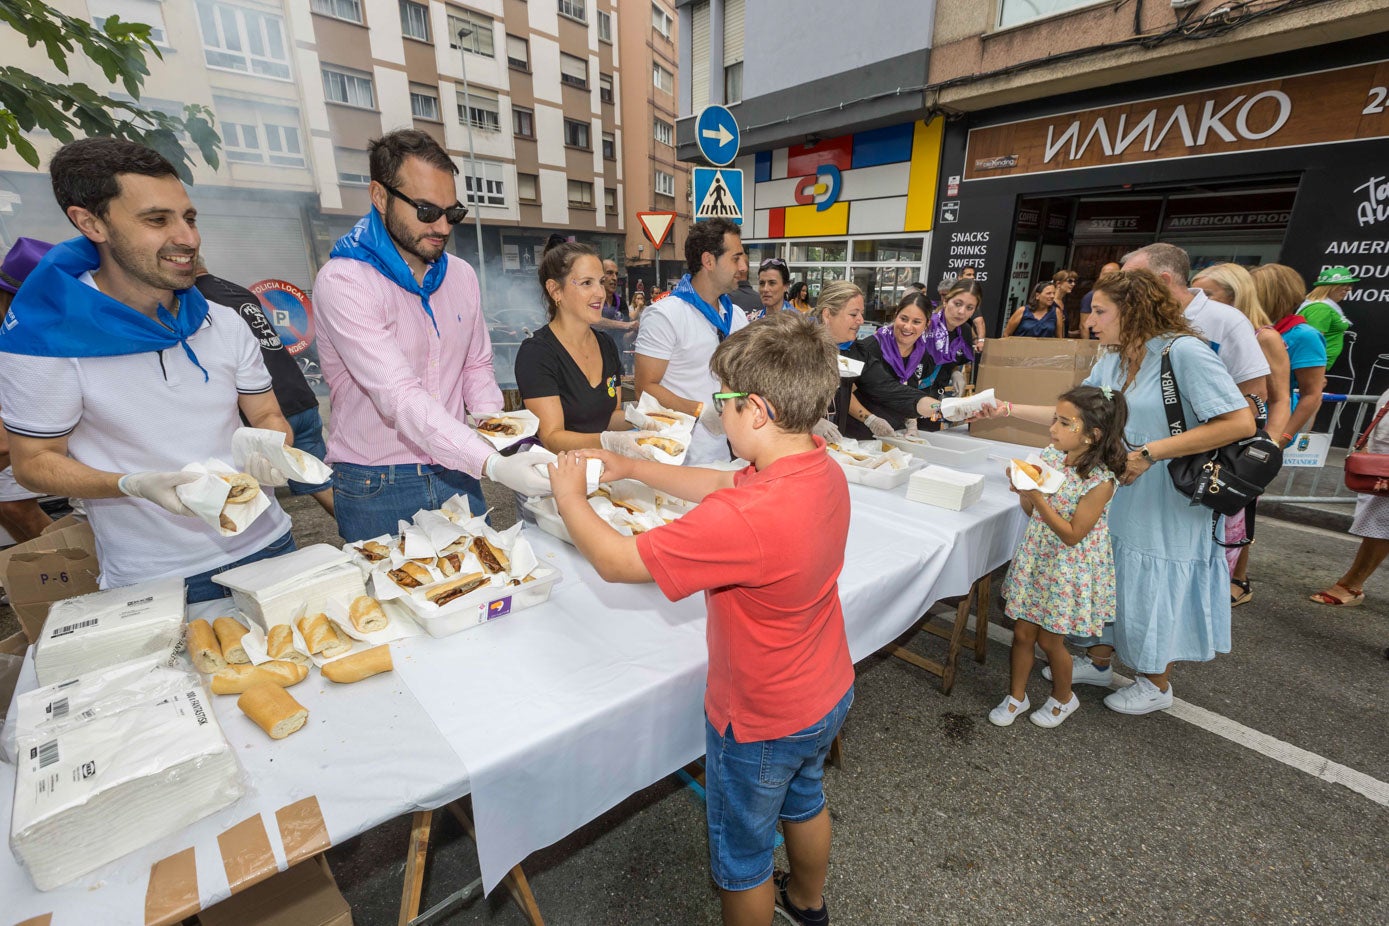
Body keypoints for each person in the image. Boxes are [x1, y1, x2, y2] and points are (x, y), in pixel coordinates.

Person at [547, 312, 854, 926]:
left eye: (724, 401)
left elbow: (615, 561)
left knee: (742, 857)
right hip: (826, 691)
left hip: (761, 716)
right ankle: (807, 904)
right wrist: (633, 467)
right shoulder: (819, 466)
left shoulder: (745, 518)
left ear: (756, 411)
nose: (719, 411)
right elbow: (720, 481)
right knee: (804, 800)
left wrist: (570, 497)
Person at [0, 138, 299, 599]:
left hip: (271, 541)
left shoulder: (221, 321)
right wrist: (131, 485)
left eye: (189, 218)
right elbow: (33, 463)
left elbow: (266, 414)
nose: (188, 238)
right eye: (157, 220)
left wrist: (274, 448)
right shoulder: (46, 340)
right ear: (90, 222)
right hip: (157, 576)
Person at [980, 269, 1255, 714]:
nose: (1090, 322)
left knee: (1152, 582)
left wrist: (1149, 452)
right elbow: (1075, 416)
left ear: (1135, 311)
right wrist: (1005, 408)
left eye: (1100, 312)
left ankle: (1156, 682)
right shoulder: (1112, 359)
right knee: (1114, 573)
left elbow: (1240, 422)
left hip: (1166, 493)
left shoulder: (1184, 352)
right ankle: (1100, 661)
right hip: (1118, 487)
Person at [311, 129, 552, 541]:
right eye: (426, 211)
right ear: (380, 196)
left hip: (456, 467)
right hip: (378, 481)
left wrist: (501, 435)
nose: (442, 227)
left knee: (484, 578)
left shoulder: (461, 275)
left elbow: (476, 365)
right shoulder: (345, 281)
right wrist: (493, 465)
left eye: (451, 213)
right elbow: (399, 395)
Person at [991, 385, 1126, 729]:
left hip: (1067, 569)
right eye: (1055, 419)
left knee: (1051, 641)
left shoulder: (1100, 481)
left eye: (1064, 423)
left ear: (1092, 435)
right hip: (1038, 559)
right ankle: (1017, 696)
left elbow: (1072, 534)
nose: (1052, 429)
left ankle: (1064, 698)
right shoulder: (1051, 457)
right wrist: (1023, 490)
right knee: (1023, 634)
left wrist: (1036, 496)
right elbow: (1031, 511)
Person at [193, 256, 335, 516]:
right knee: (319, 479)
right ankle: (362, 530)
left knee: (251, 491)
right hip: (300, 396)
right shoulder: (238, 292)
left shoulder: (195, 301)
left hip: (267, 408)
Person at [1191, 262, 1292, 607]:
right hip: (1204, 440)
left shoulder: (1263, 336)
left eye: (1208, 294)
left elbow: (1279, 398)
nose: (1198, 300)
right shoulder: (1200, 330)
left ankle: (1228, 585)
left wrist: (1268, 448)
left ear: (1236, 295)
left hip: (1239, 446)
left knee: (1231, 516)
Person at [515, 239, 654, 455]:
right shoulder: (537, 352)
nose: (600, 293)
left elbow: (608, 417)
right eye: (587, 283)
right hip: (554, 470)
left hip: (602, 468)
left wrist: (647, 418)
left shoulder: (606, 345)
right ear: (555, 290)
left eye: (601, 281)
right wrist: (612, 442)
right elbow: (552, 437)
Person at [633, 218, 750, 465]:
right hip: (681, 458)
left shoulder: (736, 316)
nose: (743, 267)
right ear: (708, 261)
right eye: (736, 258)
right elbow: (645, 387)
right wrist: (700, 411)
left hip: (729, 456)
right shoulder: (665, 315)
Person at [847, 289, 966, 439]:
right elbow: (845, 392)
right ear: (895, 316)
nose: (908, 327)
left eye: (916, 322)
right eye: (903, 319)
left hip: (896, 435)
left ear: (927, 324)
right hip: (858, 434)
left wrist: (911, 422)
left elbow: (911, 394)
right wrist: (870, 420)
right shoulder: (869, 348)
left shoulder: (923, 356)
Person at [0, 238, 56, 542]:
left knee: (17, 507)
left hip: (25, 432)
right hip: (16, 429)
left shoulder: (35, 333)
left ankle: (58, 564)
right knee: (9, 508)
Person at [1311, 387, 1389, 607]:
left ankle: (1352, 584)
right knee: (1379, 520)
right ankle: (1352, 583)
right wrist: (1369, 443)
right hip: (1382, 456)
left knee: (1380, 521)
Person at [1251, 264, 1326, 448]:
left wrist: (1282, 438)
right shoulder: (1248, 326)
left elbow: (1312, 394)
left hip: (1268, 426)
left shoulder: (1304, 335)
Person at [1299, 266, 1357, 368]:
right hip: (1313, 365)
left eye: (1350, 285)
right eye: (1344, 285)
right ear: (1330, 287)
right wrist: (1315, 369)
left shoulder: (1324, 307)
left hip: (1317, 364)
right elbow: (1312, 341)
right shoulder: (1320, 308)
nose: (1349, 289)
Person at [596, 258, 635, 373]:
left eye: (616, 274)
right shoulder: (593, 299)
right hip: (595, 360)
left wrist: (636, 330)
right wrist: (626, 325)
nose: (614, 278)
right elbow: (594, 321)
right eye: (609, 273)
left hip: (616, 361)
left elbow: (624, 339)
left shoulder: (621, 303)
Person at [1079, 262, 1121, 338]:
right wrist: (1087, 344)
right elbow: (1084, 325)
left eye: (1111, 275)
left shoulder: (1122, 295)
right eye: (1104, 274)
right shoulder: (1091, 296)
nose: (1107, 278)